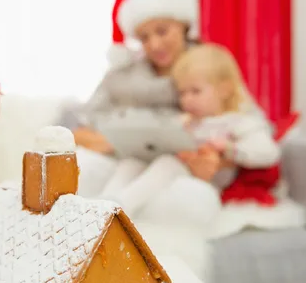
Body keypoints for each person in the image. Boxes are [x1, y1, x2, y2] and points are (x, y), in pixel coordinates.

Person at [73, 0, 224, 203]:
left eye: (162, 31)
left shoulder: (212, 66)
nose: (154, 45)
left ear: (183, 25)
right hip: (124, 167)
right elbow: (79, 129)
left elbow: (242, 123)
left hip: (185, 176)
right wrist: (111, 141)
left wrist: (218, 160)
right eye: (144, 37)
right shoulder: (121, 77)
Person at [102, 43, 281, 217]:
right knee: (132, 163)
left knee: (168, 163)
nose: (187, 100)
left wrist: (229, 149)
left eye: (195, 91)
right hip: (175, 179)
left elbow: (269, 152)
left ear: (224, 90)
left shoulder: (238, 121)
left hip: (207, 186)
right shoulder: (187, 121)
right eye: (182, 93)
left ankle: (122, 208)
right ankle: (101, 205)